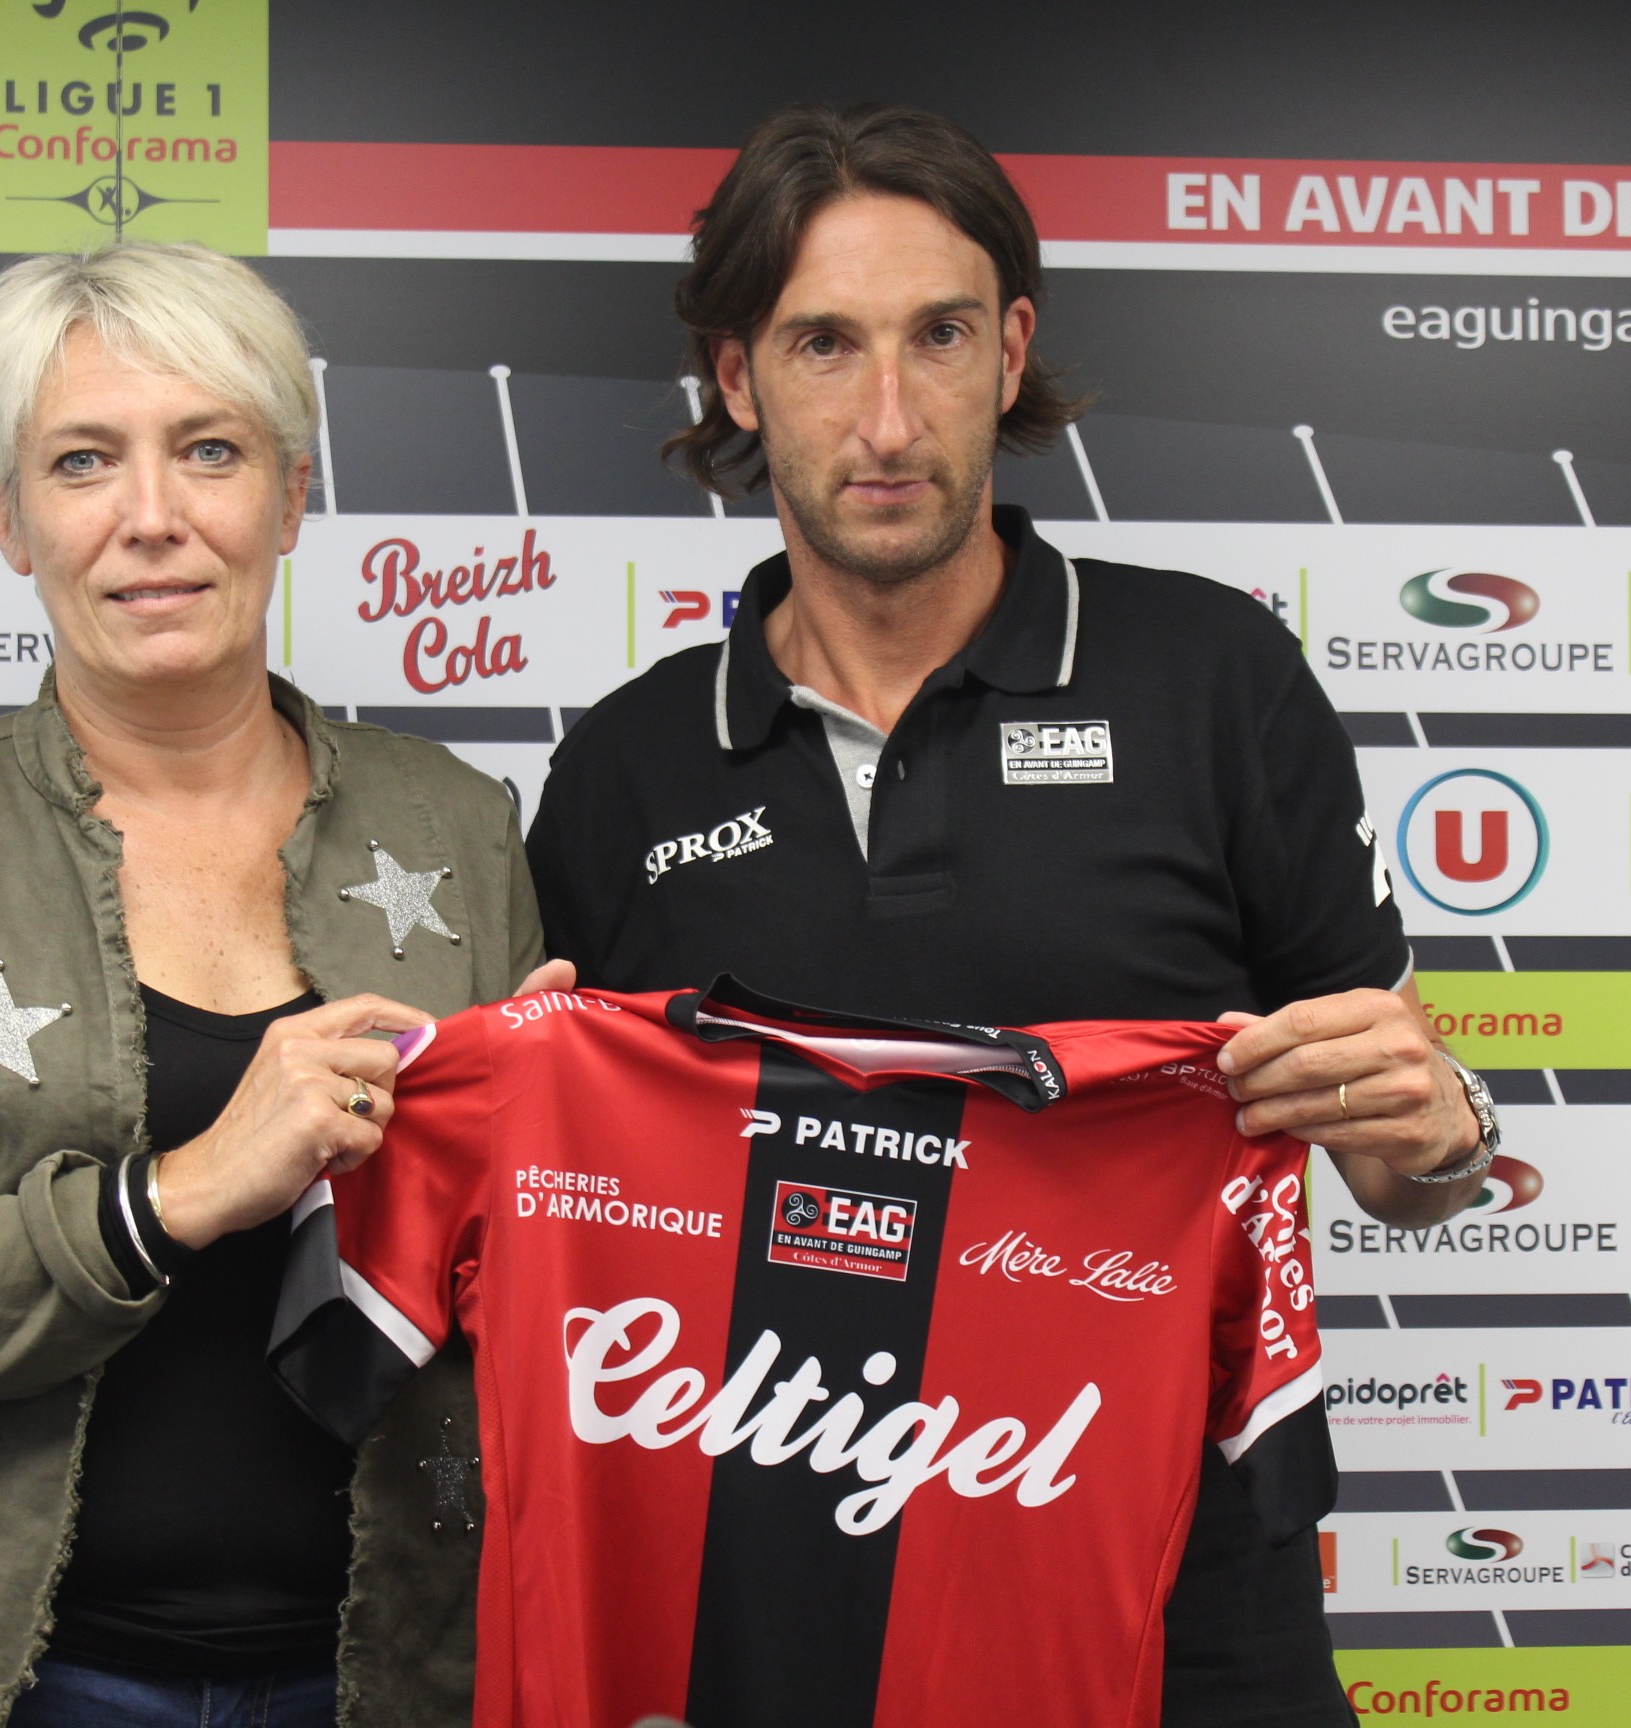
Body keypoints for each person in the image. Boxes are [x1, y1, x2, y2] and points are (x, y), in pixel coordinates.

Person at [525, 105, 1502, 1727]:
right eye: (825, 345)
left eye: (941, 337)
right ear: (740, 378)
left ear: (1012, 348)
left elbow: (1400, 1156)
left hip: (1181, 1596)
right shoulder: (627, 766)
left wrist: (1438, 1125)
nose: (889, 417)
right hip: (779, 1591)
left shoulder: (1213, 682)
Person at [0, 241, 555, 1728]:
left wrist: (562, 1153)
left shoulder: (456, 824)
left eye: (208, 451)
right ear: (12, 521)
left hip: (393, 1680)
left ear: (288, 493)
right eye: (84, 461)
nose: (152, 518)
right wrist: (168, 1198)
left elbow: (521, 1298)